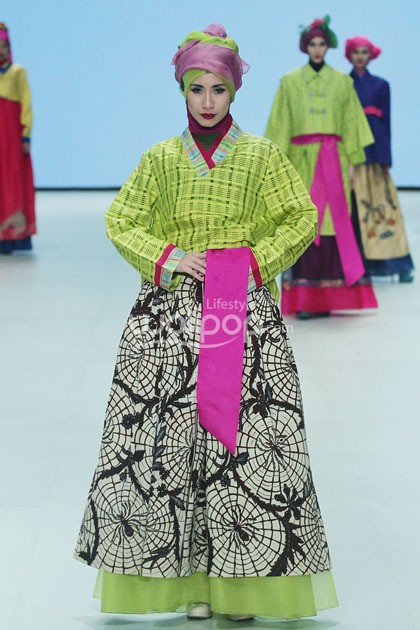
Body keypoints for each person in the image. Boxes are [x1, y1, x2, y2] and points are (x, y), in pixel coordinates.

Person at [74, 23, 338, 621]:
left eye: (218, 88)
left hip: (243, 313)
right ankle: (191, 586)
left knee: (245, 447)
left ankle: (239, 587)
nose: (208, 101)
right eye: (197, 88)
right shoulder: (161, 159)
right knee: (170, 448)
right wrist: (168, 257)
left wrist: (254, 263)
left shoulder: (262, 156)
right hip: (168, 319)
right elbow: (121, 219)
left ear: (234, 90)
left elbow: (301, 217)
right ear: (182, 91)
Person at [265, 16, 378, 319]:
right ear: (306, 47)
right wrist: (276, 166)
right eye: (312, 44)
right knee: (304, 220)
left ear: (328, 47)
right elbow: (281, 124)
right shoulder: (289, 82)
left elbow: (352, 121)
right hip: (301, 161)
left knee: (334, 221)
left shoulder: (342, 82)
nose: (317, 49)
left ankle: (329, 297)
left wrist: (355, 162)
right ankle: (304, 299)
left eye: (322, 44)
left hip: (335, 160)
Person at [345, 36, 414, 282]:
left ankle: (398, 265)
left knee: (384, 207)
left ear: (370, 55)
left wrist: (387, 157)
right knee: (357, 209)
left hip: (377, 151)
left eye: (364, 52)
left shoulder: (381, 85)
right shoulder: (343, 84)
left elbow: (387, 123)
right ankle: (360, 267)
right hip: (353, 152)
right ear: (349, 55)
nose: (360, 56)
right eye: (356, 52)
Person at [0, 22, 35, 254]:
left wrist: (26, 135)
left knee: (12, 179)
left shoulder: (17, 72)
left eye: (4, 45)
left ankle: (13, 235)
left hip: (11, 134)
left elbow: (26, 102)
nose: (0, 50)